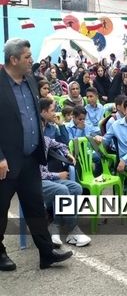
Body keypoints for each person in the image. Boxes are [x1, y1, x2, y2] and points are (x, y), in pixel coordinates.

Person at [0, 38, 73, 271]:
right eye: (27, 57)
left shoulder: (30, 80)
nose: (32, 61)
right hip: (7, 161)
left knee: (35, 206)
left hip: (31, 157)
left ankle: (46, 253)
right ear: (13, 59)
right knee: (1, 209)